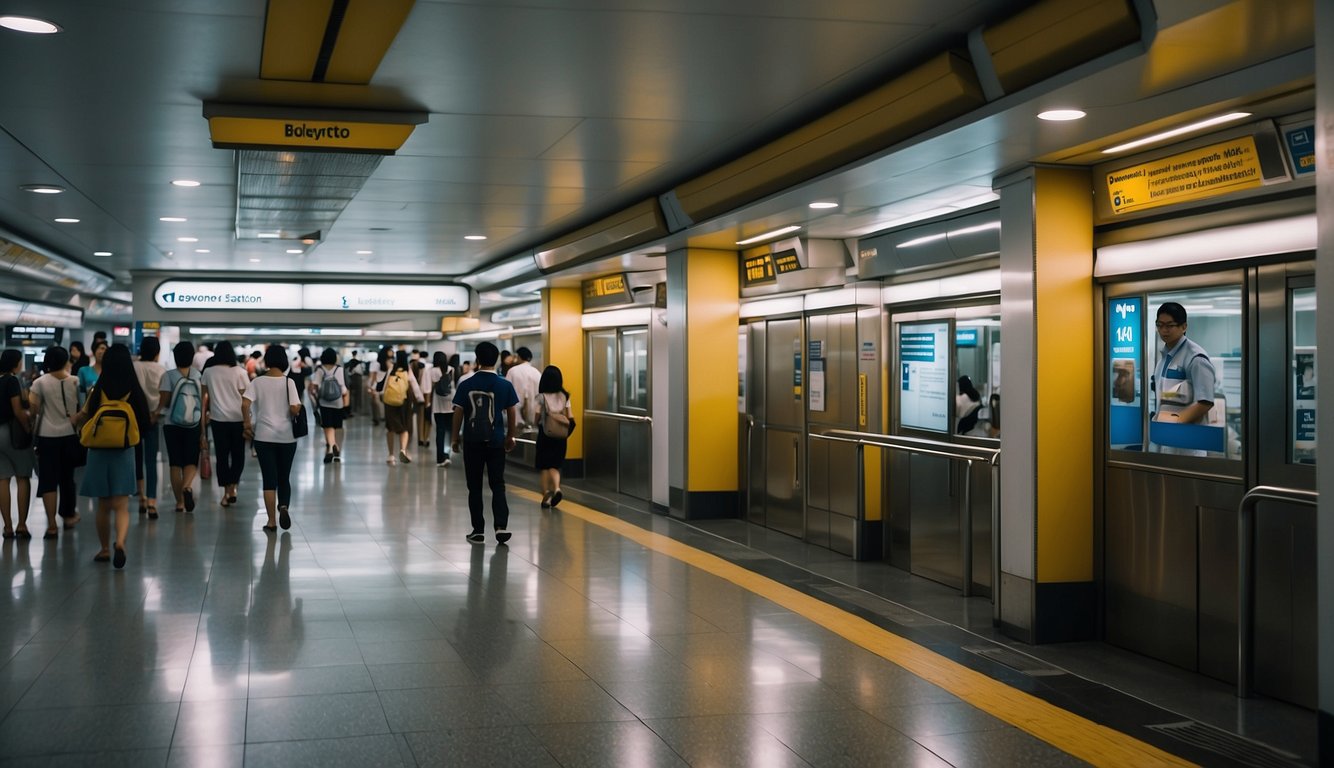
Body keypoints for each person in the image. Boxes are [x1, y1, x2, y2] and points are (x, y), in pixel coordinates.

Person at [76, 344, 150, 569]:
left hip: (98, 451)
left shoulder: (99, 388)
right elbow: (145, 423)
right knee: (121, 505)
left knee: (103, 505)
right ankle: (120, 544)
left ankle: (105, 549)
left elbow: (85, 415)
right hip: (124, 451)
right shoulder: (133, 389)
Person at [451, 341, 519, 544]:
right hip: (497, 441)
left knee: (475, 486)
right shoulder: (504, 384)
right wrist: (511, 436)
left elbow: (458, 412)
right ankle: (500, 527)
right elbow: (512, 411)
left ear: (477, 359)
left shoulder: (466, 384)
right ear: (497, 359)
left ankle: (478, 530)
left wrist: (455, 438)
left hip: (472, 442)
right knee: (498, 484)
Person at [243, 345, 302, 532]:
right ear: (284, 361)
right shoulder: (288, 382)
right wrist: (295, 409)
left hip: (263, 436)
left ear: (267, 361)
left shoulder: (258, 382)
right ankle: (283, 506)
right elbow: (294, 408)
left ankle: (271, 521)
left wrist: (246, 423)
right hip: (286, 437)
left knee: (269, 479)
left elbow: (244, 404)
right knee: (284, 477)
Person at [28, 346, 82, 538]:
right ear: (66, 360)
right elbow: (82, 408)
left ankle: (51, 525)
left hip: (46, 436)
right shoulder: (75, 381)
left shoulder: (40, 382)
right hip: (69, 435)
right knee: (67, 478)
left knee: (48, 480)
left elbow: (33, 411)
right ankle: (68, 516)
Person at [1151, 302, 1217, 456]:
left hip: (1187, 445)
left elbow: (1205, 402)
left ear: (1184, 326)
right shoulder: (1164, 358)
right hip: (1165, 440)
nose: (1163, 330)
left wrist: (1174, 424)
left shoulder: (1196, 358)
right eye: (1159, 325)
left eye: (1169, 325)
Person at [201, 341, 249, 506]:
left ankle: (226, 491)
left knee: (221, 456)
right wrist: (249, 421)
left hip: (218, 420)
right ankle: (233, 487)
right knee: (238, 455)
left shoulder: (208, 372)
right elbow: (246, 400)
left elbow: (203, 399)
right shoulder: (240, 372)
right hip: (238, 419)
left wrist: (202, 422)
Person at [160, 341, 203, 513]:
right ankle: (187, 487)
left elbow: (165, 399)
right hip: (193, 423)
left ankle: (179, 502)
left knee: (175, 463)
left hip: (172, 423)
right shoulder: (198, 375)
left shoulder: (168, 375)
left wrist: (157, 411)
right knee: (191, 461)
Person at [0, 349, 36, 539]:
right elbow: (17, 410)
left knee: (2, 480)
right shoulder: (11, 380)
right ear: (15, 363)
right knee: (23, 477)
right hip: (11, 433)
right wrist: (28, 427)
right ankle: (21, 525)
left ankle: (7, 527)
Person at [132, 337, 166, 518]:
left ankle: (141, 497)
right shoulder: (161, 370)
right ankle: (153, 501)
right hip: (154, 418)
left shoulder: (134, 367)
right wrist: (157, 412)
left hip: (136, 418)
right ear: (157, 352)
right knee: (151, 460)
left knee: (137, 458)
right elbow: (164, 393)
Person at [534, 365, 572, 508]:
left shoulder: (541, 397)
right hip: (561, 436)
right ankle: (557, 488)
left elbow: (537, 417)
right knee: (555, 465)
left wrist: (536, 422)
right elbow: (570, 417)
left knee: (544, 466)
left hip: (545, 434)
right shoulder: (565, 396)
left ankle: (546, 496)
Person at [382, 351, 424, 465]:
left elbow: (385, 386)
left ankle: (391, 455)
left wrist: (383, 397)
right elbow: (415, 387)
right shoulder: (408, 371)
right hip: (403, 403)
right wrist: (421, 400)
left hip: (390, 402)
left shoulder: (391, 369)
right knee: (404, 428)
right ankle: (403, 450)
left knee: (390, 428)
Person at [309, 348, 348, 463]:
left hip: (324, 402)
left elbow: (315, 385)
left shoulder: (320, 369)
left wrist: (314, 395)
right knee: (337, 426)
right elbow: (342, 386)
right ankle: (336, 445)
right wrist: (345, 397)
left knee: (328, 426)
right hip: (338, 402)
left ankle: (330, 447)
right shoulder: (339, 369)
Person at [428, 351, 455, 467]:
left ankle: (440, 459)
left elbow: (428, 388)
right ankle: (447, 455)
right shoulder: (452, 369)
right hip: (450, 405)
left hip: (438, 406)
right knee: (449, 432)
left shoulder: (432, 371)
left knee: (440, 432)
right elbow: (454, 386)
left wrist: (427, 402)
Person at [505, 347, 542, 427]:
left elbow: (505, 392)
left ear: (518, 357)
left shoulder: (512, 371)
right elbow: (540, 395)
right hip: (534, 417)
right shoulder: (537, 373)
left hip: (515, 417)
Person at [77, 339, 108, 405]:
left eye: (104, 349)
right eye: (99, 349)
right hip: (89, 409)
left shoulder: (110, 373)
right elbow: (81, 394)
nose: (101, 352)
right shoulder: (83, 371)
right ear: (94, 352)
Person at [416, 351, 434, 447]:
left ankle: (420, 438)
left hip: (419, 396)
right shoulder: (429, 367)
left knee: (420, 418)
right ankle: (426, 438)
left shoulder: (416, 365)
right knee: (428, 419)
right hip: (429, 397)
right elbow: (428, 386)